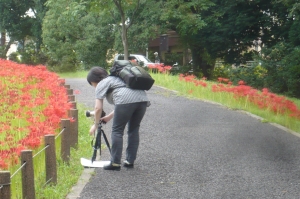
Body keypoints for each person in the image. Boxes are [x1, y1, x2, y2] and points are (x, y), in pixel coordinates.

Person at [87, 66, 149, 171]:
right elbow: (124, 103)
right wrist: (108, 117)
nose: (93, 87)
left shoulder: (101, 84)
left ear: (94, 81)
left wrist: (96, 125)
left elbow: (98, 108)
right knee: (133, 130)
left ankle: (115, 162)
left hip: (126, 102)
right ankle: (130, 161)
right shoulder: (118, 79)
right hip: (142, 100)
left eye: (92, 84)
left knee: (117, 131)